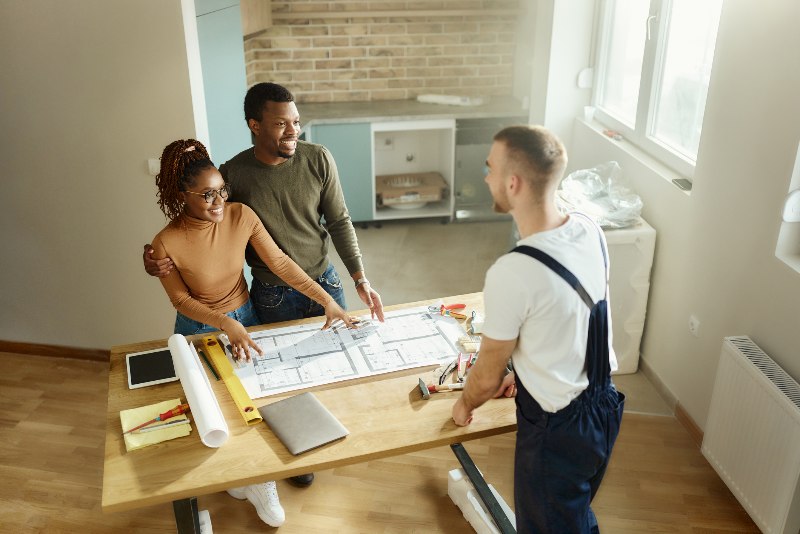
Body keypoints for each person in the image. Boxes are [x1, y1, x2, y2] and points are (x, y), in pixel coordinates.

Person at [143, 82, 385, 488]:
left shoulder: (260, 199)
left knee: (292, 380)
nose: (219, 199)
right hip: (234, 312)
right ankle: (249, 476)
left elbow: (297, 252)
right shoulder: (218, 191)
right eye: (281, 123)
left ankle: (283, 465)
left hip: (281, 298)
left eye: (297, 122)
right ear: (255, 125)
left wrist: (340, 291)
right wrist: (156, 263)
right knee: (236, 400)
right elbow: (186, 279)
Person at [150, 138, 355, 527]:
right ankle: (240, 478)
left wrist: (325, 298)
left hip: (246, 317)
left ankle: (262, 481)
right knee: (215, 411)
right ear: (182, 195)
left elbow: (279, 262)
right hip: (199, 327)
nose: (218, 201)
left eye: (222, 190)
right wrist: (225, 322)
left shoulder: (241, 215)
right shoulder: (165, 242)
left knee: (258, 402)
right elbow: (180, 300)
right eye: (206, 194)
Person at [451, 125, 625, 533]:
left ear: (513, 184)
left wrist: (465, 405)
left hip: (557, 429)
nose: (486, 177)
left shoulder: (513, 271)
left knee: (547, 525)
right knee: (573, 513)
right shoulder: (589, 228)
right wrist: (523, 371)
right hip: (605, 404)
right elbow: (567, 319)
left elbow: (486, 374)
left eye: (490, 168)